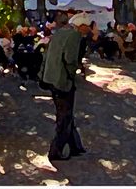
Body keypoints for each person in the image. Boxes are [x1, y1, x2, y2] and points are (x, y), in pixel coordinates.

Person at [42, 12, 86, 162]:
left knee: (65, 114)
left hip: (52, 77)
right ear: (82, 26)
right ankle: (56, 149)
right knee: (64, 115)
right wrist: (72, 74)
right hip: (62, 79)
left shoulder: (60, 33)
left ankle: (75, 145)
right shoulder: (74, 35)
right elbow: (70, 59)